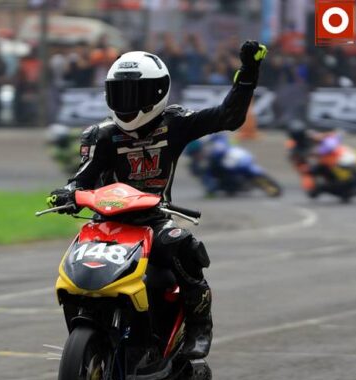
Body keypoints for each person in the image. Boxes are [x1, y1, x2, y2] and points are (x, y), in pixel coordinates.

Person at [47, 41, 268, 359]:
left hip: (154, 220)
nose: (126, 103)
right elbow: (83, 175)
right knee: (75, 266)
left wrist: (248, 73)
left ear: (158, 92)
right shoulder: (101, 135)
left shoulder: (175, 123)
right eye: (119, 93)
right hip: (106, 222)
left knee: (185, 246)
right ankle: (89, 333)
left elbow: (229, 117)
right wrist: (68, 192)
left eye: (135, 94)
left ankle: (199, 327)